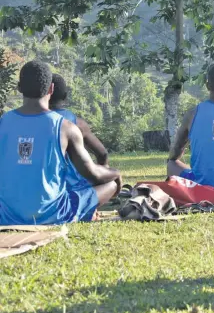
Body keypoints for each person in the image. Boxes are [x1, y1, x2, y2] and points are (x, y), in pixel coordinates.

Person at [0, 61, 122, 225]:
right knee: (111, 183)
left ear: (19, 88)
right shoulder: (66, 128)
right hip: (54, 214)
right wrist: (117, 174)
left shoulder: (3, 122)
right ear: (51, 89)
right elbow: (93, 174)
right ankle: (85, 211)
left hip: (7, 216)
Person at [50, 73, 109, 166]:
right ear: (65, 96)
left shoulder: (30, 122)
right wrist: (100, 174)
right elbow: (103, 154)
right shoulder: (78, 124)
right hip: (75, 180)